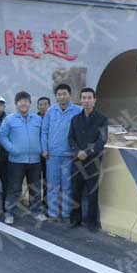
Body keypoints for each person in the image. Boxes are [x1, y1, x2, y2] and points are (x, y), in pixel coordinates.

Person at [0, 91, 46, 224]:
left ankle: (36, 211)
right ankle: (10, 213)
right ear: (16, 104)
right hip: (16, 160)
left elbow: (43, 135)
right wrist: (12, 149)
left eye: (26, 101)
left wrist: (41, 149)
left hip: (35, 160)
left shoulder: (37, 119)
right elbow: (2, 136)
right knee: (14, 188)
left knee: (35, 188)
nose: (23, 104)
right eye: (21, 101)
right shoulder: (9, 119)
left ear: (30, 104)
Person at [67, 87, 109, 232]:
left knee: (92, 192)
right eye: (84, 98)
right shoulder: (75, 119)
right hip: (77, 161)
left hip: (93, 161)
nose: (86, 100)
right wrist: (77, 151)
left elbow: (102, 140)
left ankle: (91, 222)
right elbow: (71, 138)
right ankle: (75, 219)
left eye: (89, 98)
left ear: (94, 100)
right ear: (80, 100)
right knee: (75, 191)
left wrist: (88, 152)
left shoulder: (102, 119)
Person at [41, 84, 82, 222]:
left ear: (69, 95)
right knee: (53, 186)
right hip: (52, 155)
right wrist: (44, 149)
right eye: (59, 94)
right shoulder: (50, 111)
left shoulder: (78, 110)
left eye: (64, 94)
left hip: (70, 156)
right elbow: (44, 131)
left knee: (67, 186)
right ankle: (53, 213)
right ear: (56, 97)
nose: (62, 97)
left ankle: (66, 213)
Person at [36, 96, 51, 209]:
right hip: (36, 154)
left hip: (48, 154)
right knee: (35, 180)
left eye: (45, 104)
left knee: (47, 180)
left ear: (49, 106)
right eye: (40, 104)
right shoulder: (34, 119)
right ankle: (35, 203)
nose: (43, 107)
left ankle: (46, 204)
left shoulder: (53, 118)